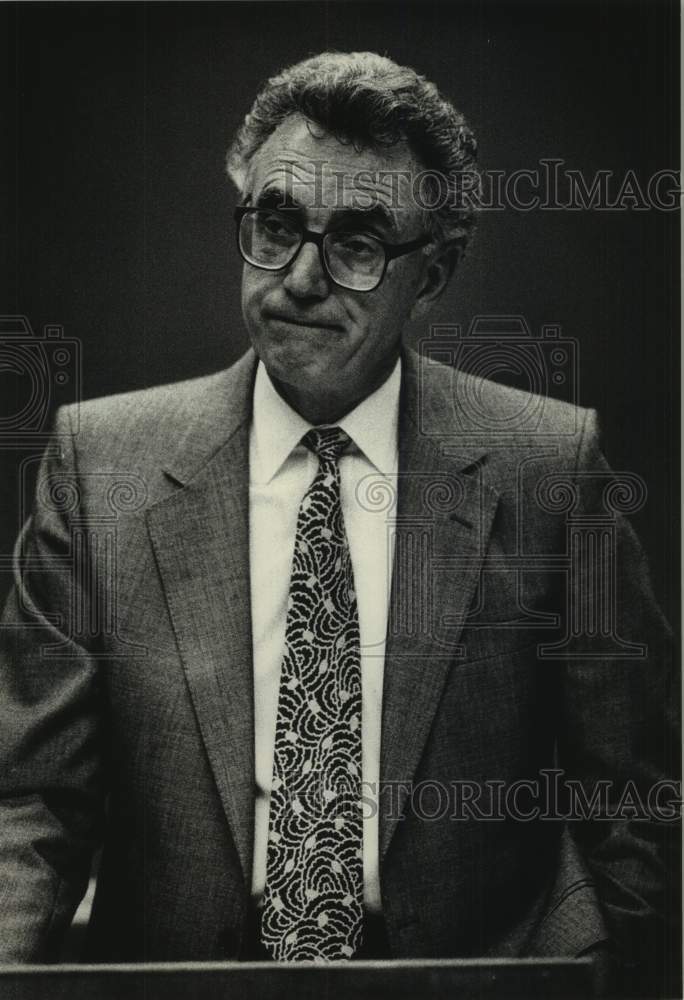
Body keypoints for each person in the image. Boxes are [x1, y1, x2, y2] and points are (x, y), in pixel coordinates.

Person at [0, 51, 676, 994]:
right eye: (276, 224)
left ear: (430, 275)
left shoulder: (548, 466)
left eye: (358, 241)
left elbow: (631, 800)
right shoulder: (96, 463)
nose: (302, 277)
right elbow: (31, 805)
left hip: (478, 983)